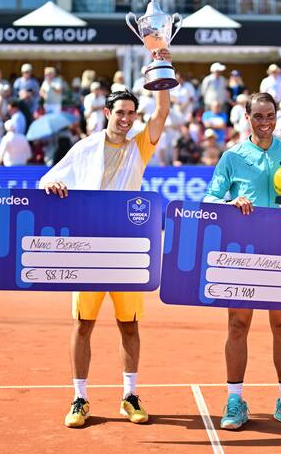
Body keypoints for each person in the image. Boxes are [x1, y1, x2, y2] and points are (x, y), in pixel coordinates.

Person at [39, 48, 172, 429]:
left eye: (131, 114)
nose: (127, 119)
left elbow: (161, 112)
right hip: (87, 249)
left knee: (129, 326)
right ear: (107, 113)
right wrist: (53, 185)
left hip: (129, 250)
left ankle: (129, 395)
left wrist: (160, 61)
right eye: (121, 113)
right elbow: (48, 178)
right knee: (83, 324)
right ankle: (79, 398)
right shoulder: (84, 148)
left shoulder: (140, 147)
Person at [203, 92, 281, 431]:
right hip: (242, 252)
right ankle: (235, 399)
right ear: (247, 117)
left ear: (277, 116)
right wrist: (230, 202)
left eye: (270, 116)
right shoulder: (232, 157)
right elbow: (210, 197)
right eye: (258, 117)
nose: (265, 123)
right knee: (238, 326)